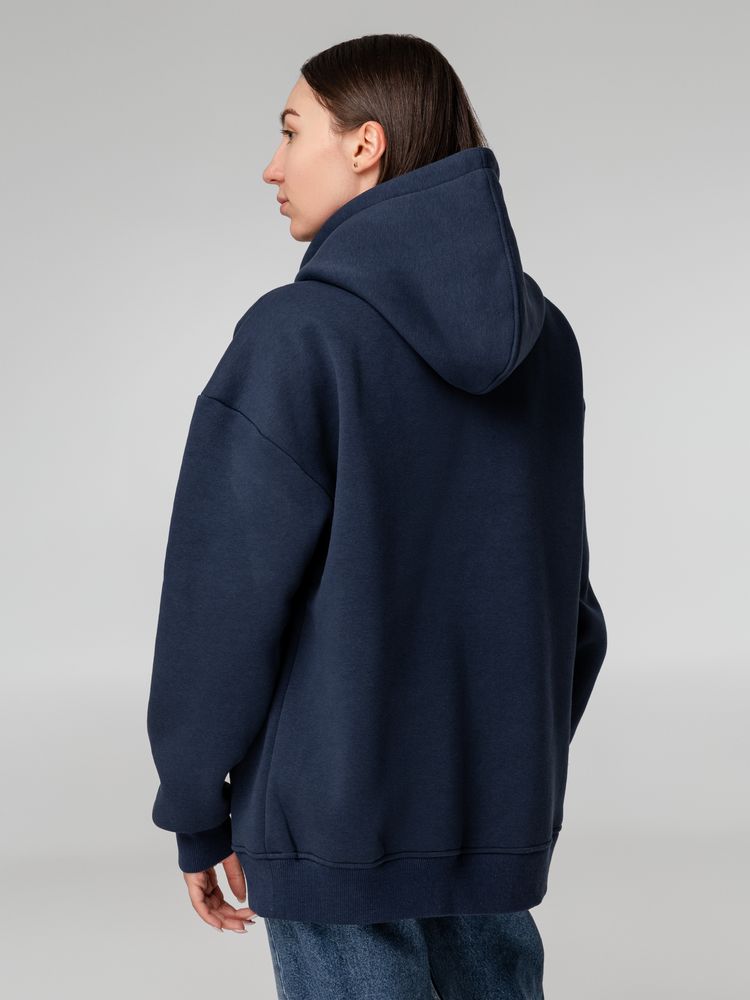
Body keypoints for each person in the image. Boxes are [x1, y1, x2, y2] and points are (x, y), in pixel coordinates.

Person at [146, 32, 608, 1000]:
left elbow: (221, 607)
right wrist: (503, 769)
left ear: (365, 144)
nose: (272, 167)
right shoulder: (546, 341)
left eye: (291, 132)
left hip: (334, 821)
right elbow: (570, 606)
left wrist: (195, 804)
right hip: (494, 813)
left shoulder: (297, 338)